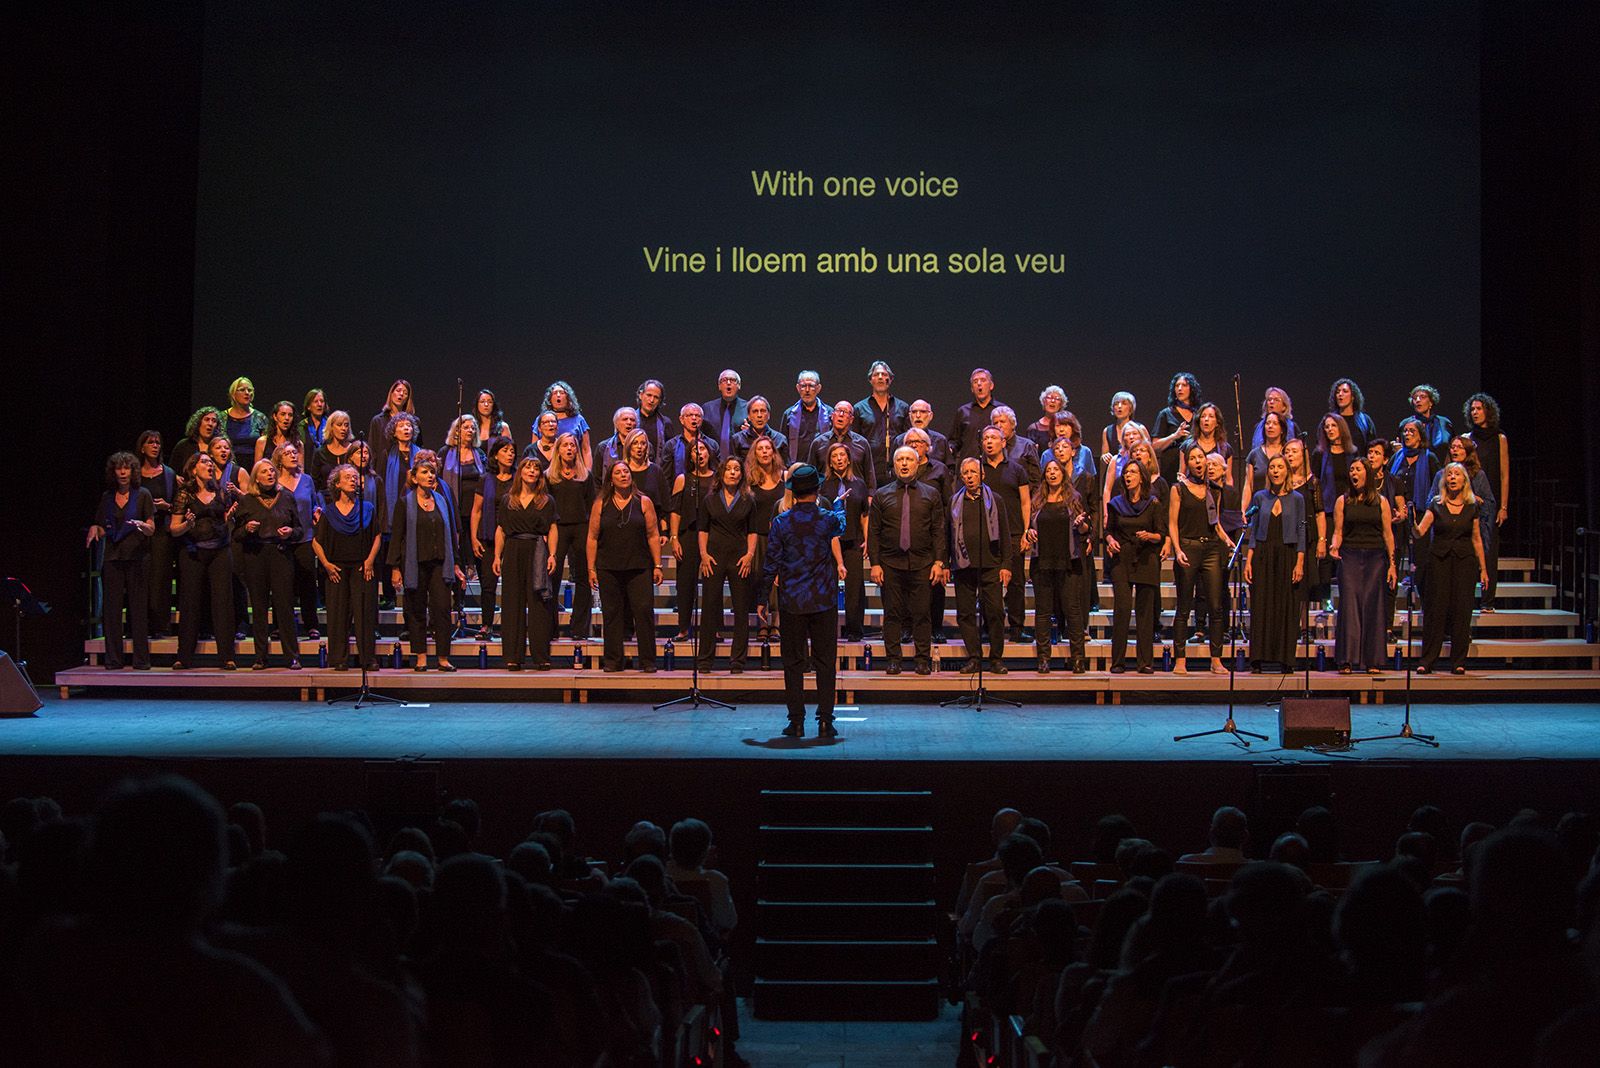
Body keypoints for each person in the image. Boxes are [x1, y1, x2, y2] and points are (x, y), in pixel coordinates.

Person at [756, 465, 846, 738]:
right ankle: (825, 721)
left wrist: (762, 599)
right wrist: (841, 505)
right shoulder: (827, 518)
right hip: (823, 599)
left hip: (792, 599)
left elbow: (771, 563)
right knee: (825, 661)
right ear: (817, 491)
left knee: (793, 662)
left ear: (793, 492)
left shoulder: (782, 522)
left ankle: (796, 721)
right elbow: (842, 524)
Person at [868, 447, 947, 675]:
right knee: (892, 614)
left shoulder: (931, 493)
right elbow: (874, 532)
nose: (904, 463)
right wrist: (875, 563)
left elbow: (938, 530)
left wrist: (939, 562)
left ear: (917, 464)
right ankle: (893, 659)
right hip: (890, 563)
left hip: (922, 563)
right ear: (894, 465)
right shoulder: (882, 495)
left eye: (908, 459)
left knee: (922, 613)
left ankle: (922, 660)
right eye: (900, 459)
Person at [1412, 462, 1488, 674]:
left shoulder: (1472, 505)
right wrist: (1410, 523)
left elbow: (1477, 539)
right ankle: (1428, 660)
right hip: (1439, 561)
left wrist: (1484, 569)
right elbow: (1421, 531)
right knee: (1436, 610)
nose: (1452, 477)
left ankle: (1458, 661)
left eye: (1457, 474)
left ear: (1464, 480)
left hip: (1465, 563)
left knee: (1462, 611)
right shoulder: (1436, 504)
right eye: (1449, 474)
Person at [587, 461, 663, 673]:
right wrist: (591, 569)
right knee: (612, 613)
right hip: (608, 567)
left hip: (639, 566)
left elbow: (653, 534)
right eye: (618, 472)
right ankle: (613, 661)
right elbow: (592, 537)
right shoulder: (601, 503)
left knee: (643, 611)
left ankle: (648, 661)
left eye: (626, 472)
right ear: (611, 479)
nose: (623, 475)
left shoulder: (643, 502)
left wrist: (657, 565)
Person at [1167, 443, 1233, 674]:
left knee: (1215, 606)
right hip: (1188, 547)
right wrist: (1177, 549)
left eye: (1201, 457)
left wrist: (1226, 540)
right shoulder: (1178, 489)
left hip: (1211, 549)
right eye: (1193, 458)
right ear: (1188, 462)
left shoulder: (1214, 490)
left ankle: (1216, 660)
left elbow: (1216, 524)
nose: (1197, 461)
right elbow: (1173, 523)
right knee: (1184, 606)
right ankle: (1180, 660)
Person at [233, 459, 302, 670]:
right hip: (256, 554)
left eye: (272, 470)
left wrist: (290, 533)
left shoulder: (286, 497)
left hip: (280, 554)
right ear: (256, 477)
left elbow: (299, 529)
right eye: (264, 472)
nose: (270, 474)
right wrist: (247, 529)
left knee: (284, 606)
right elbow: (236, 534)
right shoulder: (247, 501)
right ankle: (260, 656)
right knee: (260, 607)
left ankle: (292, 656)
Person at [88, 451, 155, 670]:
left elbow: (151, 527)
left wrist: (144, 527)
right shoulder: (108, 497)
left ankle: (141, 660)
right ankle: (113, 659)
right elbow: (100, 524)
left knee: (138, 608)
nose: (123, 472)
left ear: (133, 471)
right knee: (112, 609)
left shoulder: (142, 494)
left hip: (137, 557)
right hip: (113, 557)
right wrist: (94, 529)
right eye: (119, 468)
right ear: (114, 472)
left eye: (127, 468)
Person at [168, 454, 236, 670]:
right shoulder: (184, 494)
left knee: (223, 603)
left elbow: (226, 522)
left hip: (219, 551)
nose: (209, 465)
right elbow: (173, 528)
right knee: (190, 603)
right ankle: (184, 656)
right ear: (193, 469)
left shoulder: (221, 492)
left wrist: (231, 518)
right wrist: (187, 525)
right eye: (204, 462)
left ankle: (226, 656)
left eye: (210, 463)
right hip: (193, 552)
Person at [1026, 456, 1092, 673]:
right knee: (1043, 612)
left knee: (1072, 611)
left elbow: (1085, 530)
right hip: (1042, 562)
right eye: (1049, 470)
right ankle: (1043, 659)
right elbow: (1029, 528)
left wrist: (1082, 525)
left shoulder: (1074, 498)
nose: (1052, 473)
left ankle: (1078, 659)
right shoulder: (1037, 500)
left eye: (1056, 470)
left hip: (1068, 562)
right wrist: (1030, 532)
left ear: (1063, 474)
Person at [1331, 456, 1396, 674]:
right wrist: (1334, 546)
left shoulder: (1381, 501)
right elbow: (1338, 531)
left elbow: (1388, 534)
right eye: (1351, 470)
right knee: (1349, 605)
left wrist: (1392, 565)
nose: (1353, 473)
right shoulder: (1343, 500)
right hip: (1349, 555)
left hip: (1375, 557)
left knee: (1373, 605)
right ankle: (1347, 659)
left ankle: (1372, 660)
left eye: (1358, 469)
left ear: (1366, 473)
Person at [313, 463, 381, 671]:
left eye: (355, 477)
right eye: (348, 477)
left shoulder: (367, 508)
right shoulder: (329, 511)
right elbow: (316, 542)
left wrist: (369, 561)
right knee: (338, 614)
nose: (353, 480)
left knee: (365, 613)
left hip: (362, 567)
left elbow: (377, 536)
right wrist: (326, 564)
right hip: (337, 570)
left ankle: (367, 658)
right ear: (337, 483)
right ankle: (339, 659)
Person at [948, 457, 1013, 674]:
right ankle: (974, 657)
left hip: (991, 564)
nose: (969, 476)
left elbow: (1005, 533)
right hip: (963, 566)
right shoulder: (954, 502)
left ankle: (996, 659)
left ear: (982, 475)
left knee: (994, 612)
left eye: (973, 472)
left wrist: (1006, 564)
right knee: (965, 614)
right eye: (965, 473)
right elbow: (948, 535)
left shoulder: (995, 499)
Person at [494, 457, 559, 671]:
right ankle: (513, 656)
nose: (532, 471)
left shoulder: (546, 500)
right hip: (513, 549)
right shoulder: (507, 500)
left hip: (537, 550)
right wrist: (497, 556)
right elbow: (501, 529)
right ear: (520, 472)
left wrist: (553, 555)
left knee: (539, 603)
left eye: (536, 468)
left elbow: (552, 528)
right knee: (513, 604)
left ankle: (541, 656)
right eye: (528, 467)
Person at [696, 457, 756, 672]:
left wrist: (749, 555)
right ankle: (704, 660)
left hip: (739, 557)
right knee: (710, 607)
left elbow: (752, 531)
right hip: (713, 556)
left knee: (741, 609)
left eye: (737, 469)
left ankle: (738, 660)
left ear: (741, 474)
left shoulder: (748, 499)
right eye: (729, 469)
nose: (733, 472)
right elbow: (702, 529)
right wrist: (703, 554)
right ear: (721, 473)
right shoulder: (709, 499)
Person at [1105, 460, 1164, 674]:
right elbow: (1108, 531)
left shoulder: (1153, 503)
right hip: (1122, 559)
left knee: (1145, 612)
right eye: (1126, 472)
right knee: (1122, 609)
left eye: (1133, 472)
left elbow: (1161, 534)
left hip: (1146, 559)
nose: (1128, 476)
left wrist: (1150, 536)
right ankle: (1118, 661)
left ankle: (1145, 662)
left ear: (1142, 477)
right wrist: (1110, 540)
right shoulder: (1116, 503)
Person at [979, 426, 1032, 642]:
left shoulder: (1017, 469)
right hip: (986, 534)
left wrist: (1026, 531)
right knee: (985, 583)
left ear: (1003, 442)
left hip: (1013, 532)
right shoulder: (978, 469)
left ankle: (1017, 627)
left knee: (1016, 582)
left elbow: (1026, 501)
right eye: (986, 438)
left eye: (993, 437)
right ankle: (987, 627)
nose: (989, 441)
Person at [546, 431, 596, 640]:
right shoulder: (549, 476)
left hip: (581, 528)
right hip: (558, 529)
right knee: (552, 577)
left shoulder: (585, 476)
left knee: (583, 578)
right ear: (558, 450)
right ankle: (550, 628)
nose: (569, 449)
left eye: (573, 445)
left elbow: (592, 505)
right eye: (565, 445)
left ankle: (579, 629)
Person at [819, 442, 870, 642]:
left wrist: (867, 539)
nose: (839, 459)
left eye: (842, 455)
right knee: (829, 585)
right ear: (830, 461)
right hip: (829, 541)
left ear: (849, 459)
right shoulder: (823, 484)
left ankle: (854, 629)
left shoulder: (858, 483)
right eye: (835, 456)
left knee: (855, 587)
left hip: (853, 540)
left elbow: (864, 515)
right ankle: (828, 627)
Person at [272, 442, 322, 640]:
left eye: (295, 452)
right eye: (288, 453)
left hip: (305, 538)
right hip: (281, 539)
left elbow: (315, 503)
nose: (293, 456)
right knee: (282, 584)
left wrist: (317, 511)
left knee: (307, 582)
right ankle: (280, 625)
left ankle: (311, 624)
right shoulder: (274, 481)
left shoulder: (307, 480)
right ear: (279, 459)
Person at [1463, 393, 1508, 610]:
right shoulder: (1467, 438)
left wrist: (1503, 506)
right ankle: (1467, 598)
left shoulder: (1500, 439)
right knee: (1470, 549)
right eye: (1472, 409)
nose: (1475, 412)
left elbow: (1504, 474)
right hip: (1470, 500)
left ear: (1488, 411)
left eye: (1479, 408)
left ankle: (1488, 600)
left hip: (1490, 503)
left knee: (1489, 550)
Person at [669, 439, 717, 642]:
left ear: (709, 454)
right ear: (690, 456)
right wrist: (674, 537)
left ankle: (712, 629)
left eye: (703, 449)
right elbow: (675, 511)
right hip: (688, 534)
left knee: (712, 584)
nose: (700, 453)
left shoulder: (717, 479)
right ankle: (683, 628)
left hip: (712, 535)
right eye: (695, 450)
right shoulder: (683, 479)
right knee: (685, 583)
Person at [470, 436, 516, 639]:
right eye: (505, 450)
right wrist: (473, 537)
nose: (510, 454)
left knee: (513, 585)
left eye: (512, 451)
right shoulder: (485, 479)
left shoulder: (519, 478)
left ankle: (513, 625)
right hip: (489, 536)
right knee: (488, 584)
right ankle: (486, 624)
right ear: (496, 454)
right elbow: (476, 511)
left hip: (514, 536)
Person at [745, 436, 788, 643]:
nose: (764, 452)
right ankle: (762, 624)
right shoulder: (749, 479)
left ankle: (776, 624)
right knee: (760, 578)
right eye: (760, 449)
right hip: (757, 536)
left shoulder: (785, 477)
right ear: (755, 453)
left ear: (773, 452)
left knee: (778, 580)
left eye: (767, 448)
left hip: (780, 537)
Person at [135, 430, 178, 638]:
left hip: (162, 530)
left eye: (158, 443)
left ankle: (161, 625)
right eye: (150, 443)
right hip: (140, 531)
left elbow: (177, 504)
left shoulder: (168, 473)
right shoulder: (135, 473)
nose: (155, 446)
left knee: (161, 577)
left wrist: (166, 506)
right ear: (142, 447)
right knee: (140, 576)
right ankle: (140, 624)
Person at [854, 360, 910, 485]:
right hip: (869, 470)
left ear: (890, 379)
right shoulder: (859, 408)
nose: (880, 377)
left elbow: (907, 439)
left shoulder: (903, 407)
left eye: (884, 375)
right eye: (876, 375)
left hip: (897, 470)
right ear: (870, 380)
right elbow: (855, 441)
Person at [807, 401, 875, 491]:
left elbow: (869, 474)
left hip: (855, 496)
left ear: (851, 419)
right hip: (826, 497)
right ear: (832, 415)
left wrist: (870, 495)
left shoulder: (862, 443)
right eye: (838, 411)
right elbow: (811, 475)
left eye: (846, 412)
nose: (841, 414)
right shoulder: (818, 443)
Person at [1152, 372, 1202, 483]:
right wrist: (1175, 436)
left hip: (1195, 467)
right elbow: (1154, 446)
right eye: (1177, 385)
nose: (1180, 388)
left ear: (1192, 389)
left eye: (1184, 385)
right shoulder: (1166, 414)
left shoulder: (1199, 414)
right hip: (1171, 468)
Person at [949, 367, 1003, 460]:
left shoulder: (1001, 410)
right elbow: (954, 441)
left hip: (994, 467)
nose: (979, 384)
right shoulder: (963, 411)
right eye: (975, 382)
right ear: (972, 389)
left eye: (983, 380)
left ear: (991, 386)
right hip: (969, 469)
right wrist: (950, 449)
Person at [661, 401, 718, 488]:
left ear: (702, 420)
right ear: (681, 420)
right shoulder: (671, 445)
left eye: (698, 415)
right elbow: (665, 477)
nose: (694, 418)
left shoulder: (712, 445)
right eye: (689, 415)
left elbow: (717, 473)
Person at [780, 370, 829, 468]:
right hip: (796, 468)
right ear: (798, 388)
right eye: (803, 386)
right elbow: (783, 445)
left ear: (818, 388)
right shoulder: (789, 414)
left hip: (823, 468)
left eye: (811, 386)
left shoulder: (829, 413)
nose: (807, 390)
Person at [540, 380, 591, 473]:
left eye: (562, 393)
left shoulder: (579, 420)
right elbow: (535, 447)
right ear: (550, 399)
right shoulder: (542, 420)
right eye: (555, 393)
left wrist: (587, 473)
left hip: (573, 468)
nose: (558, 395)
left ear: (568, 398)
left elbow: (586, 449)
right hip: (547, 469)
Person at [1240, 409, 1289, 503]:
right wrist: (1243, 509)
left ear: (1282, 429)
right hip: (1259, 506)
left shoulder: (1287, 453)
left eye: (1275, 423)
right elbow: (1248, 486)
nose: (1270, 426)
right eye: (1268, 423)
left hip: (1284, 504)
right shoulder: (1254, 454)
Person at [367, 378, 414, 473]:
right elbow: (372, 449)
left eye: (405, 393)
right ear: (391, 393)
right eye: (398, 391)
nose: (401, 394)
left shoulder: (413, 421)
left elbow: (418, 447)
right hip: (383, 469)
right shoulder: (378, 420)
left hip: (407, 468)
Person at [702, 368, 749, 463]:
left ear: (739, 385)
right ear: (719, 386)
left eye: (732, 380)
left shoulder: (749, 408)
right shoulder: (707, 408)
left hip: (740, 464)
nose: (728, 383)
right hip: (713, 464)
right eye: (724, 380)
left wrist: (750, 432)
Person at [730, 395, 789, 466]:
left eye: (763, 411)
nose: (759, 415)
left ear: (768, 415)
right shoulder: (737, 440)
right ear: (748, 416)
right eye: (755, 411)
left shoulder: (780, 440)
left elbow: (785, 468)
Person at [591, 406, 639, 489]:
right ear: (616, 424)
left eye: (632, 420)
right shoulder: (603, 447)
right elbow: (596, 479)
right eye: (625, 419)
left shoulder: (645, 447)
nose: (629, 422)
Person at [894, 398, 951, 467]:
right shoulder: (899, 440)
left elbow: (950, 468)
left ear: (930, 416)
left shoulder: (940, 440)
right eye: (914, 412)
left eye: (923, 412)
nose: (918, 415)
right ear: (910, 416)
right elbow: (892, 468)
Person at [1406, 383, 1453, 464]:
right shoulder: (1406, 424)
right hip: (1416, 470)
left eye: (1422, 397)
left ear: (1431, 402)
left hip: (1440, 470)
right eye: (1414, 398)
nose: (1417, 400)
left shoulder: (1444, 422)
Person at [223, 376, 268, 460]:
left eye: (250, 390)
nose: (247, 393)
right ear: (233, 394)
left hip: (253, 464)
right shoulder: (222, 417)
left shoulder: (260, 418)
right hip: (228, 464)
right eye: (242, 390)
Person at [310, 409, 355, 490]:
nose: (343, 428)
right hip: (325, 499)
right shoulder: (320, 453)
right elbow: (314, 481)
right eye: (339, 425)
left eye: (346, 425)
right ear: (331, 427)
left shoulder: (353, 450)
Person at [1329, 378, 1377, 452]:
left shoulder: (1364, 420)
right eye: (1337, 392)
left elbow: (1372, 446)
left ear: (1353, 397)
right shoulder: (1330, 420)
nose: (1340, 394)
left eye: (1345, 391)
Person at [170, 406, 221, 473]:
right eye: (206, 419)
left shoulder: (220, 446)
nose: (210, 424)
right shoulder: (184, 445)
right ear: (198, 423)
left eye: (214, 421)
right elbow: (171, 471)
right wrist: (176, 477)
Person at [634, 378, 673, 461]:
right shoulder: (630, 420)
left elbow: (669, 453)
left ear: (659, 401)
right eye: (649, 395)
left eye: (656, 397)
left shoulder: (665, 423)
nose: (651, 400)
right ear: (641, 395)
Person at [1098, 391, 1138, 469]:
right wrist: (1104, 457)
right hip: (1114, 474)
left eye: (1124, 403)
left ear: (1131, 408)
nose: (1119, 406)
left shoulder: (1139, 429)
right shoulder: (1108, 431)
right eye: (1116, 404)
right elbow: (1103, 457)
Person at [1026, 385, 1070, 450]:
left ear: (1061, 404)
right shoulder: (1033, 429)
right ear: (1044, 401)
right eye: (1049, 397)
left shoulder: (1067, 427)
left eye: (1057, 399)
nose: (1053, 401)